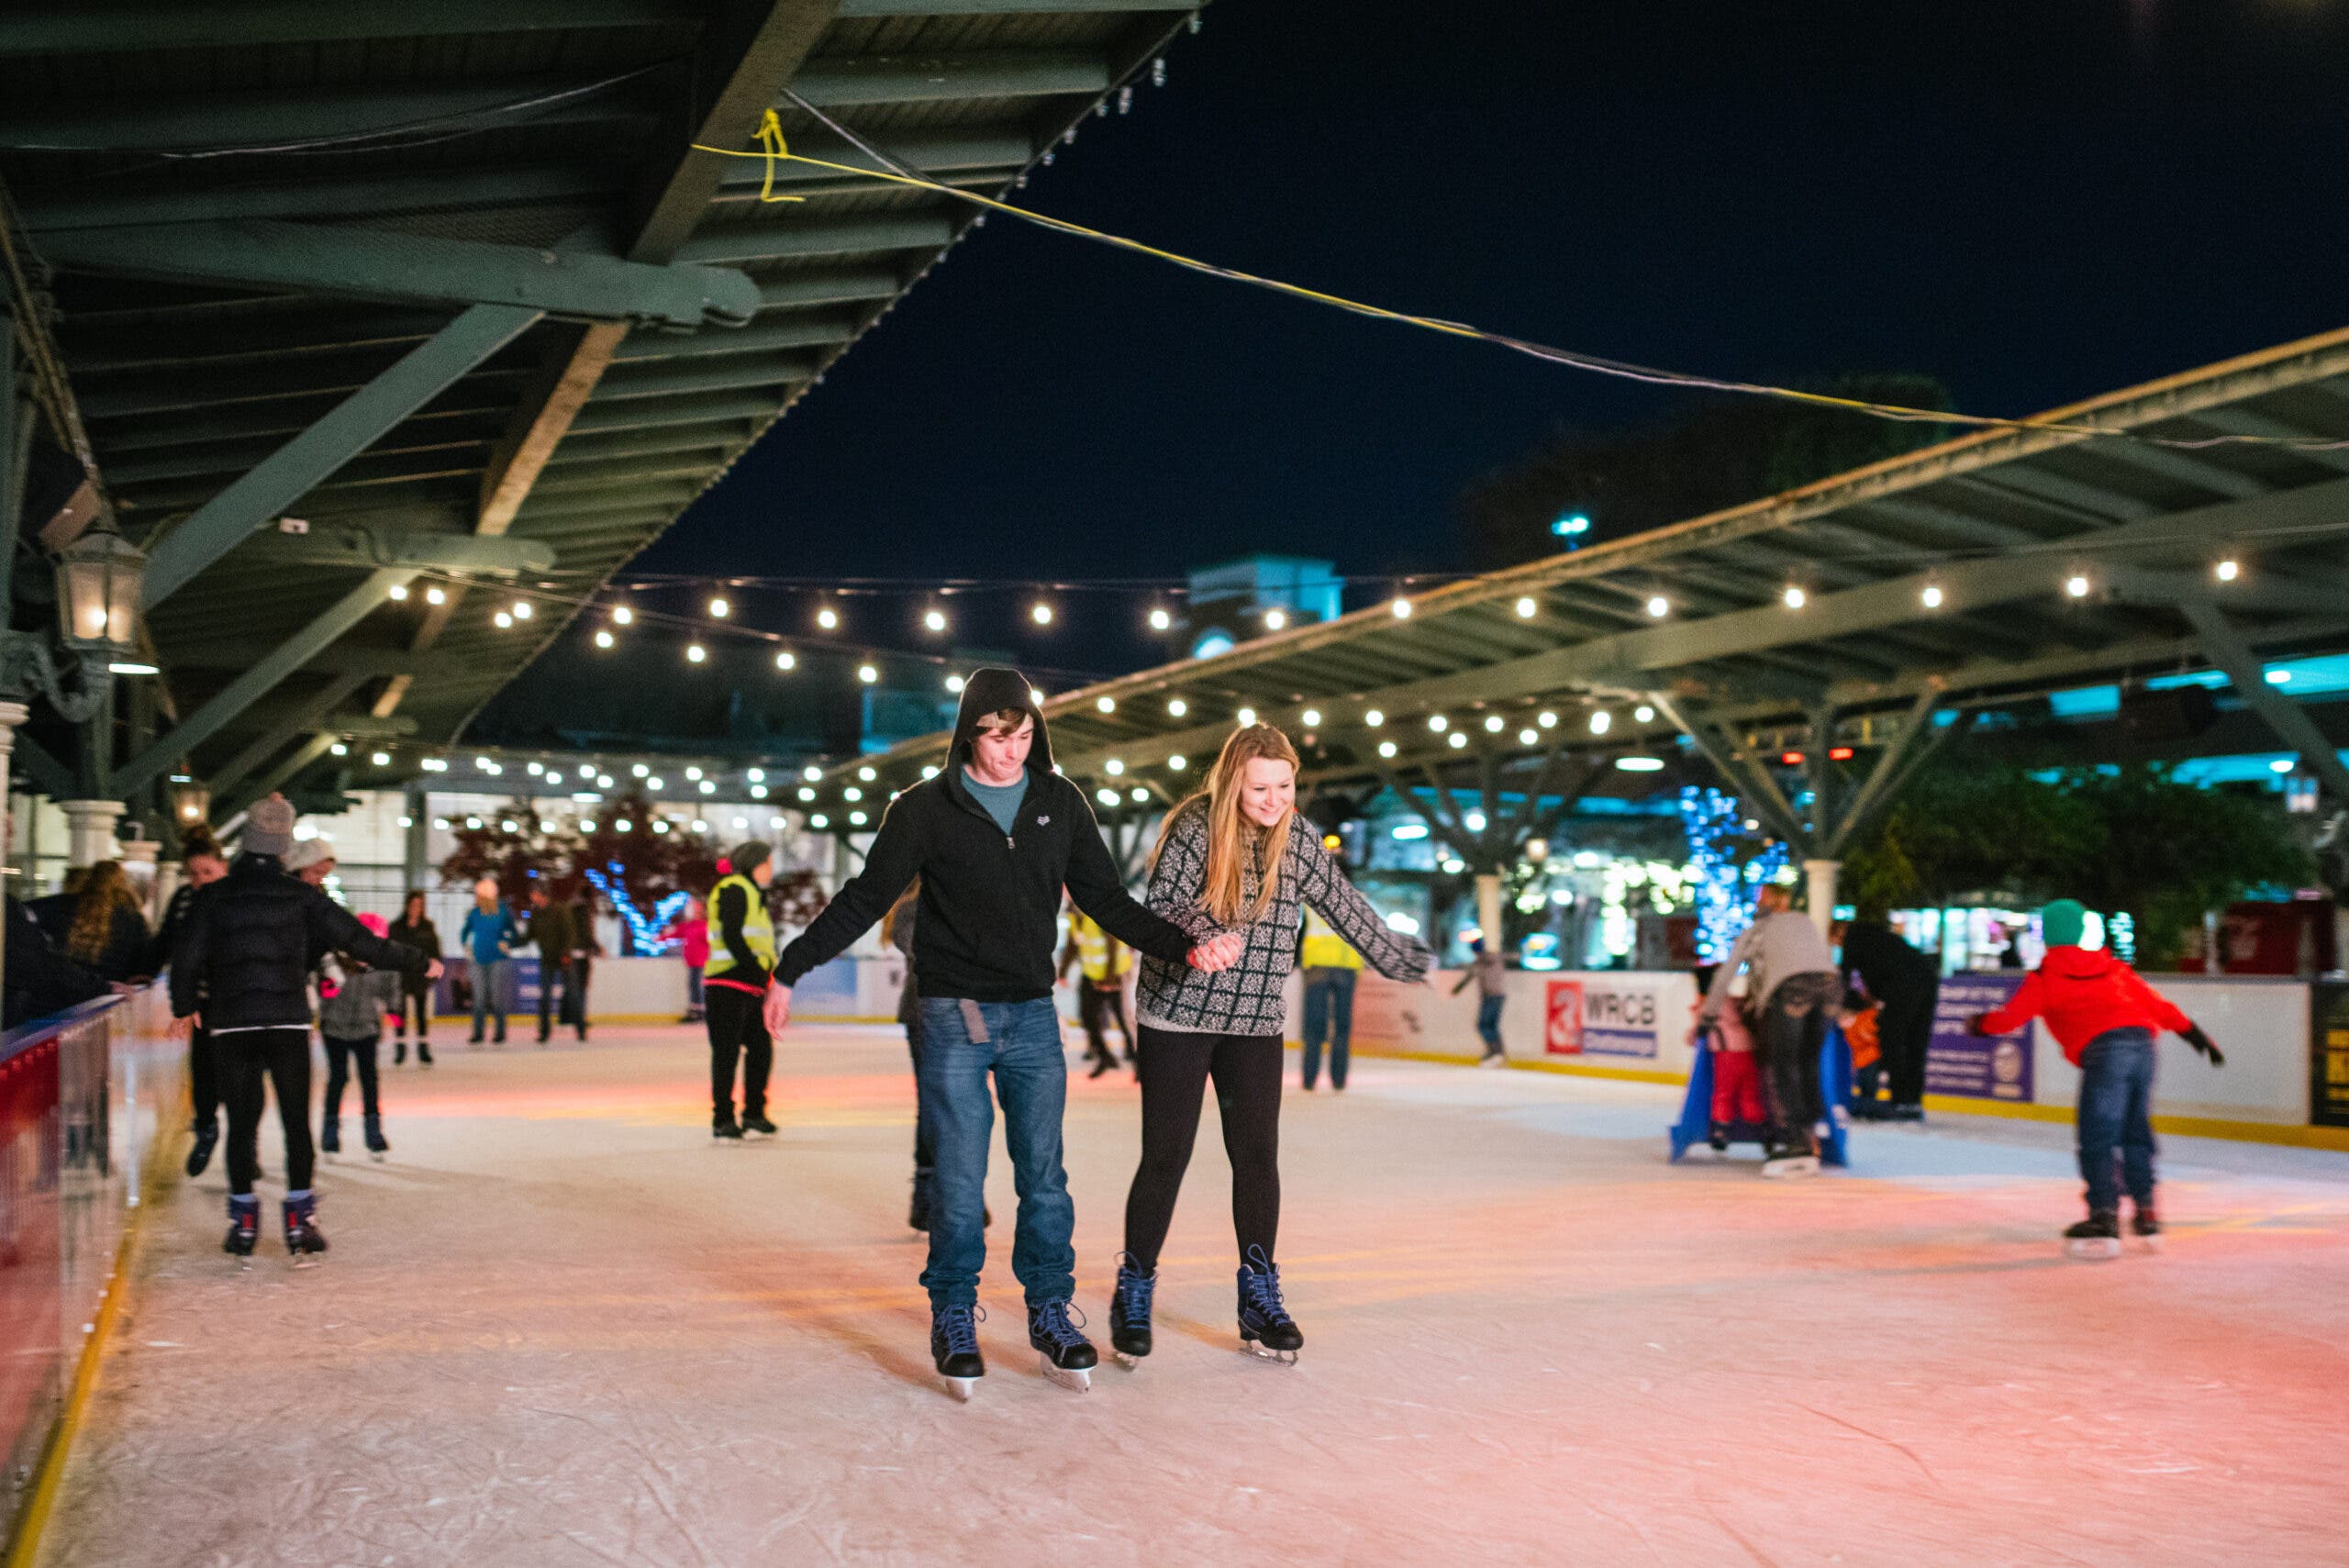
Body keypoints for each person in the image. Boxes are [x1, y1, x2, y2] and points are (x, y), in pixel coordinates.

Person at [765, 669, 1242, 1398]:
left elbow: (1107, 900)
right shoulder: (924, 809)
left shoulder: (1059, 802)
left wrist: (1183, 944)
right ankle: (953, 1311)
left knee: (1044, 1180)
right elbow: (867, 896)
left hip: (1033, 1014)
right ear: (969, 734)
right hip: (954, 1013)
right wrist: (789, 967)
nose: (1012, 750)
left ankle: (1050, 1309)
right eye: (997, 735)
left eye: (1023, 735)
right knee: (958, 1184)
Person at [1115, 724, 1430, 1369]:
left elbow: (1345, 905)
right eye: (1260, 786)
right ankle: (1134, 1288)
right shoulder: (1196, 828)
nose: (1273, 798)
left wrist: (1401, 958)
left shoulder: (1300, 838)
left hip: (1255, 1019)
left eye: (1284, 785)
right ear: (1234, 780)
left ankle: (1258, 1295)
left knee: (1258, 1154)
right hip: (1178, 1010)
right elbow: (1164, 903)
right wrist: (1206, 933)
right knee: (1166, 1155)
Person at [167, 795, 440, 1260]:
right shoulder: (303, 896)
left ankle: (243, 1225)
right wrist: (418, 961)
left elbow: (186, 955)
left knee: (241, 1126)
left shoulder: (213, 896)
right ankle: (300, 1224)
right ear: (283, 846)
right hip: (287, 1023)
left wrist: (183, 1003)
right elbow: (362, 942)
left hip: (231, 1025)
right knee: (296, 1124)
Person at [1972, 898, 2223, 1257]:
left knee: (2097, 1136)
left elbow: (2010, 1019)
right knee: (2135, 1131)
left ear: (2050, 936)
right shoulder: (2112, 967)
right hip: (2142, 1047)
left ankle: (2104, 1216)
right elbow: (2159, 1007)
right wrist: (2197, 1036)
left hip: (2107, 1054)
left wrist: (1978, 1023)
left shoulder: (2045, 976)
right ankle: (2146, 1211)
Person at [1694, 884, 1843, 1177]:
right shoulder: (1804, 922)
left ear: (1764, 903)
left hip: (1790, 991)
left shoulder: (1756, 929)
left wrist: (1708, 1016)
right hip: (1830, 988)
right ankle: (1812, 1132)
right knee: (1807, 1062)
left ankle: (1792, 1139)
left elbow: (1725, 974)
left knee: (1780, 1065)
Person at [147, 833, 232, 1174]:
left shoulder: (237, 898)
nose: (199, 881)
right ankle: (207, 1128)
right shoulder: (184, 899)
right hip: (201, 1004)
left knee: (242, 1077)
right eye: (193, 874)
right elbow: (166, 942)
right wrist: (141, 972)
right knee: (204, 1072)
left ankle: (246, 1146)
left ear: (223, 867)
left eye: (207, 873)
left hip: (238, 1002)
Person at [704, 845, 783, 1139]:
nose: (771, 869)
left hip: (751, 984)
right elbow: (731, 934)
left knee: (761, 1049)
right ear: (755, 864)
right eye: (768, 863)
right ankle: (723, 1118)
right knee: (726, 1052)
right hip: (727, 983)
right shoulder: (734, 888)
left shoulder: (753, 893)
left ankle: (754, 1112)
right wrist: (754, 969)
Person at [317, 913, 405, 1162]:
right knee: (338, 1078)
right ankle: (330, 1134)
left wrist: (393, 1011)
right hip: (335, 1027)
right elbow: (322, 987)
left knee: (369, 1079)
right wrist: (322, 1013)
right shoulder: (335, 959)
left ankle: (374, 1134)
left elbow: (393, 988)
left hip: (366, 1027)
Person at [1835, 912, 1940, 1120]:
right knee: (1916, 1042)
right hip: (1927, 975)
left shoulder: (1852, 938)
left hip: (1904, 984)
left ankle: (1900, 1099)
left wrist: (1842, 1004)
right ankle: (1912, 1102)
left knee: (1893, 1039)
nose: (1839, 946)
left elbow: (1844, 978)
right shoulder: (1880, 936)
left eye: (1837, 942)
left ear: (1839, 933)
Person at [1058, 906, 1132, 1080]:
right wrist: (1062, 973)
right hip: (1092, 975)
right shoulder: (1074, 915)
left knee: (1122, 1018)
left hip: (1113, 974)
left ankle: (1138, 1060)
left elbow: (1112, 943)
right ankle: (1105, 1057)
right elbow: (1073, 945)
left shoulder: (1093, 909)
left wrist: (1110, 979)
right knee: (1088, 1018)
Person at [1298, 904, 1364, 1092]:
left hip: (1318, 966)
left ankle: (1309, 1079)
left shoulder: (1313, 898)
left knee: (1314, 1026)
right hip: (1346, 965)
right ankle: (1339, 1080)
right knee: (1341, 1026)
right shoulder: (1357, 899)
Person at [62, 859, 151, 984]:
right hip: (118, 989)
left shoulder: (75, 909)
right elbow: (143, 956)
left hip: (80, 987)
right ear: (122, 882)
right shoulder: (131, 915)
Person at [459, 879, 520, 1045]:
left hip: (498, 961)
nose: (475, 897)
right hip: (478, 960)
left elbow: (514, 934)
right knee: (478, 998)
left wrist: (507, 942)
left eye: (478, 894)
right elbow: (465, 931)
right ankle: (478, 1033)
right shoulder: (475, 913)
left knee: (497, 998)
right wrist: (466, 945)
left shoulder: (503, 912)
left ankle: (500, 1033)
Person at [527, 884, 588, 1045]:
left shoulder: (560, 910)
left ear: (542, 895)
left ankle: (581, 1030)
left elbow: (570, 933)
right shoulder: (536, 914)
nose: (532, 897)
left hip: (564, 959)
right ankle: (544, 1032)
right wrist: (510, 943)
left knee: (573, 995)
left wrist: (566, 953)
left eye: (534, 894)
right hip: (547, 959)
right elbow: (528, 935)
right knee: (545, 996)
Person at [385, 891, 441, 1065]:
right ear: (407, 906)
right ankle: (400, 1049)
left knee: (421, 1014)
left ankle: (423, 1049)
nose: (416, 909)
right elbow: (389, 951)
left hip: (420, 976)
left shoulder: (427, 927)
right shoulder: (396, 927)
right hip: (401, 976)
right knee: (399, 1013)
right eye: (413, 905)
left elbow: (434, 951)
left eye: (420, 905)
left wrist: (433, 968)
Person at [1454, 938, 1508, 1065]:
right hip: (1492, 996)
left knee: (1484, 1026)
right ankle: (1497, 1053)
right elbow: (1470, 975)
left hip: (1493, 996)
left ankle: (1496, 1053)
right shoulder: (1481, 961)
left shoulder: (1488, 959)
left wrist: (1458, 988)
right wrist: (1458, 987)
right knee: (1489, 1026)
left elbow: (1473, 972)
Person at [668, 897, 709, 1023]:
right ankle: (694, 1010)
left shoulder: (705, 926)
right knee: (693, 986)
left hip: (702, 962)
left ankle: (701, 1012)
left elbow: (710, 941)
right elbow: (675, 934)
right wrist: (660, 937)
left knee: (699, 987)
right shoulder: (687, 926)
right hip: (691, 962)